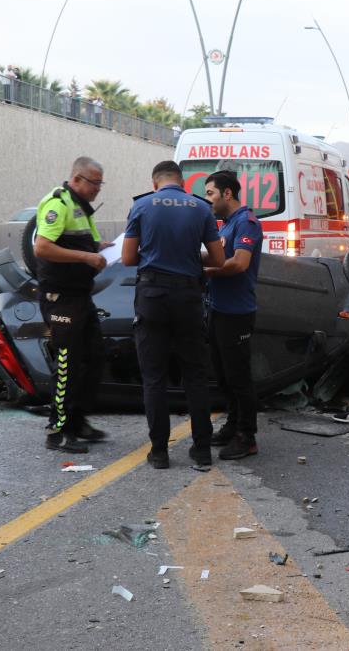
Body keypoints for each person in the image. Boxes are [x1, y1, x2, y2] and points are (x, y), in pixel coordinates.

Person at [122, 160, 225, 469]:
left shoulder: (142, 206)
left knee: (154, 376)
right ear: (182, 183)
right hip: (188, 297)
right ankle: (202, 450)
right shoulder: (200, 207)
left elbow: (128, 258)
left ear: (155, 183)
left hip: (152, 296)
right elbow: (218, 260)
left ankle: (159, 452)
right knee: (195, 374)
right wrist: (188, 254)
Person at [34, 156, 113, 453]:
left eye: (100, 184)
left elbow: (79, 242)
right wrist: (86, 257)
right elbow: (41, 246)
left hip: (80, 295)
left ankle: (78, 420)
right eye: (94, 183)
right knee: (66, 363)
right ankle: (58, 430)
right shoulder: (59, 203)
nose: (97, 189)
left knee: (93, 358)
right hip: (60, 297)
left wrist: (99, 248)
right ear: (77, 179)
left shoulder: (81, 208)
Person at [202, 171, 263, 460]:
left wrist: (203, 271)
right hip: (218, 309)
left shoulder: (246, 223)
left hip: (237, 313)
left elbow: (239, 264)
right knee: (224, 376)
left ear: (228, 194)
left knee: (239, 378)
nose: (207, 199)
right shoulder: (225, 225)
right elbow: (215, 257)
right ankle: (233, 424)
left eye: (211, 193)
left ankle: (246, 436)